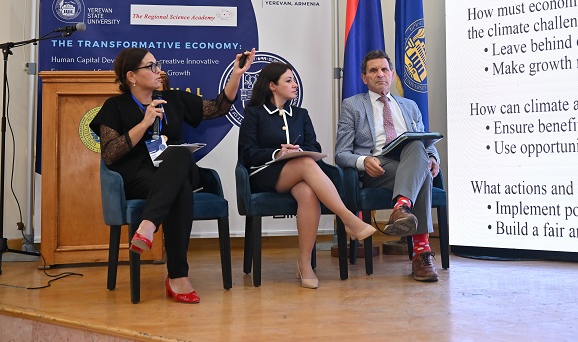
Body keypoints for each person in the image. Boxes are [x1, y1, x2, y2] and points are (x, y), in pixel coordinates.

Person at [89, 47, 256, 304]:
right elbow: (110, 153)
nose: (159, 71)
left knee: (178, 153)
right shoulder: (115, 107)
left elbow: (218, 107)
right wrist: (144, 123)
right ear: (131, 76)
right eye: (151, 67)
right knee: (181, 192)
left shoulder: (173, 99)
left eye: (157, 64)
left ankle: (148, 225)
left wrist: (236, 74)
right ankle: (178, 277)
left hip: (176, 168)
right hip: (140, 178)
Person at [238, 62, 376, 289]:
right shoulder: (254, 113)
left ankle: (304, 263)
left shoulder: (301, 114)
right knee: (305, 163)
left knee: (308, 192)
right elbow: (247, 153)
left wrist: (299, 150)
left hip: (299, 175)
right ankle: (348, 218)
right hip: (264, 174)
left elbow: (314, 145)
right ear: (272, 85)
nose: (295, 85)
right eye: (288, 81)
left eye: (294, 80)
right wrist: (277, 153)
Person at [335, 50, 441, 282]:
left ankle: (401, 208)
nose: (380, 74)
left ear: (392, 75)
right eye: (373, 70)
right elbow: (341, 153)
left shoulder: (410, 105)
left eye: (384, 70)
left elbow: (426, 142)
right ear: (364, 78)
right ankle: (421, 252)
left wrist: (433, 158)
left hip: (409, 162)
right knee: (421, 173)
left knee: (417, 148)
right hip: (378, 168)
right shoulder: (352, 105)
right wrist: (363, 161)